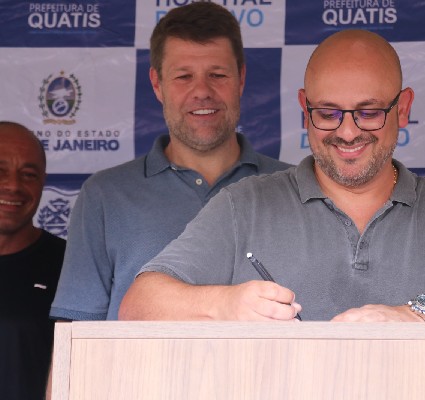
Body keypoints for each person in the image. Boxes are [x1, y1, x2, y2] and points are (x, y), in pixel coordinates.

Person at [119, 29, 425, 353]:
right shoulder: (244, 203)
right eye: (328, 112)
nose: (348, 132)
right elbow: (138, 306)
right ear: (304, 108)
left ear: (403, 108)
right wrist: (223, 305)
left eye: (369, 112)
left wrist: (409, 317)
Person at [49, 2, 291, 321]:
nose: (202, 91)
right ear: (157, 84)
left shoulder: (293, 189)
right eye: (183, 76)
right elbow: (76, 336)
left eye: (217, 75)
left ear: (241, 79)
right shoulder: (104, 196)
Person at [0, 121, 66, 400]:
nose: (13, 186)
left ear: (43, 182)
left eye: (28, 174)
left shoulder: (70, 266)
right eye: (0, 171)